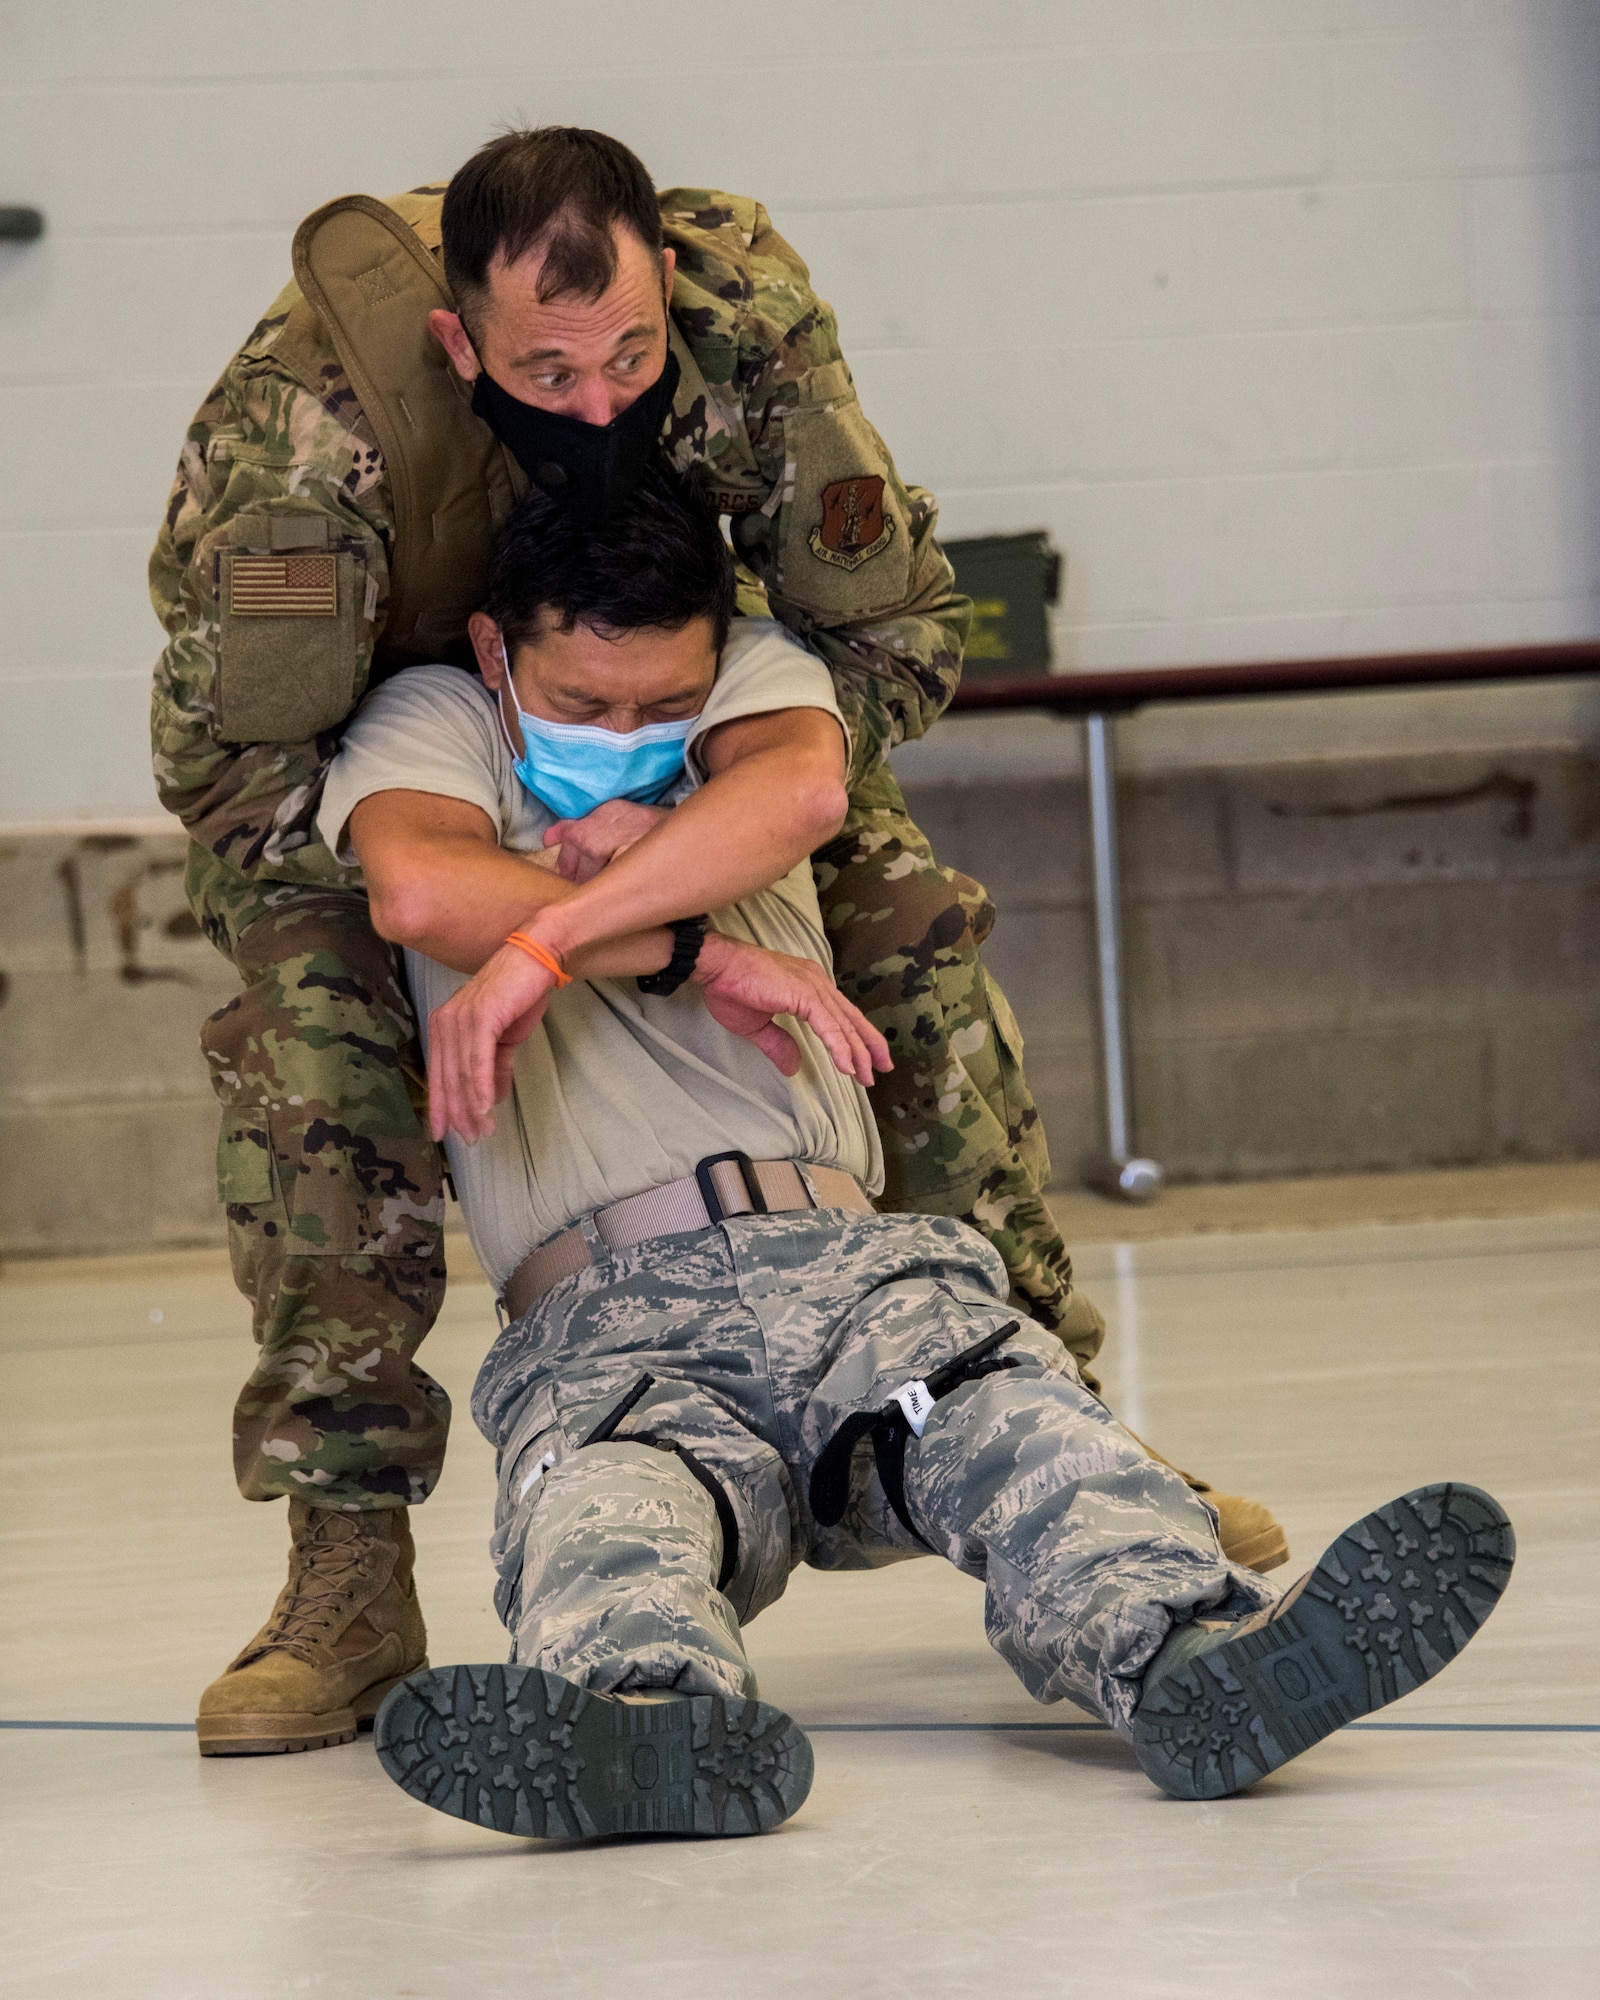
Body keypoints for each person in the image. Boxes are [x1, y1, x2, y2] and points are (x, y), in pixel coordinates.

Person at [154, 125, 1282, 1756]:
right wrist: (664, 938)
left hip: (689, 706)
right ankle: (348, 1562)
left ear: (666, 286)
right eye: (551, 368)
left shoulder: (747, 329)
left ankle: (1070, 1431)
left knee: (908, 930)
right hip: (365, 772)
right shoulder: (305, 436)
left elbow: (886, 641)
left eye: (630, 351)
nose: (604, 400)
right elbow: (245, 777)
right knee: (309, 1060)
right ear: (459, 341)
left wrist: (631, 874)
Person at [322, 471, 1511, 1831]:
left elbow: (804, 798)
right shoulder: (437, 723)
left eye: (664, 705)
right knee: (608, 1509)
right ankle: (646, 1735)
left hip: (845, 1272)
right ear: (497, 651)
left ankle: (1193, 1668)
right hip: (603, 1318)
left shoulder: (753, 699)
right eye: (587, 707)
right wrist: (694, 951)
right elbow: (420, 884)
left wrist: (551, 938)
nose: (629, 734)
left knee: (1012, 1423)